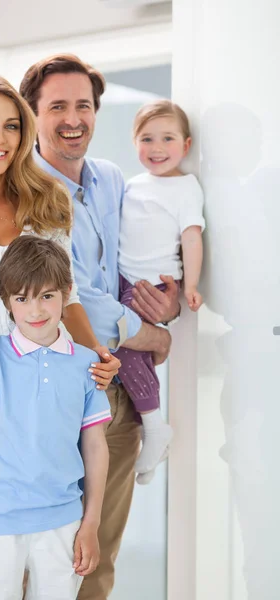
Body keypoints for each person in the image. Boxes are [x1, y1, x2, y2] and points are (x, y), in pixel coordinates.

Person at [19, 54, 180, 600]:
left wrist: (167, 295)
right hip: (57, 394)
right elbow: (72, 290)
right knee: (43, 555)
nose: (72, 118)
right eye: (57, 106)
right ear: (33, 114)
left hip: (119, 396)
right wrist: (147, 333)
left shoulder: (112, 178)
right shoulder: (27, 190)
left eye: (83, 105)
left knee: (100, 557)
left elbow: (134, 255)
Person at [0, 235, 111, 600]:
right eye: (22, 299)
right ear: (7, 302)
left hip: (63, 522)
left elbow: (95, 446)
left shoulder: (88, 364)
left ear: (66, 291)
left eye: (47, 296)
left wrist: (91, 524)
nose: (36, 311)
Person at [0, 75, 120, 390]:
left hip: (45, 379)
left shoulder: (48, 199)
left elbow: (67, 294)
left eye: (11, 126)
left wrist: (96, 354)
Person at [116, 100, 205, 483]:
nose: (156, 147)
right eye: (147, 138)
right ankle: (152, 437)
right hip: (122, 278)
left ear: (185, 146)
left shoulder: (186, 187)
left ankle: (154, 426)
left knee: (124, 343)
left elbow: (192, 238)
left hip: (152, 284)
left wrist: (192, 286)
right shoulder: (131, 184)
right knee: (126, 352)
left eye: (167, 139)